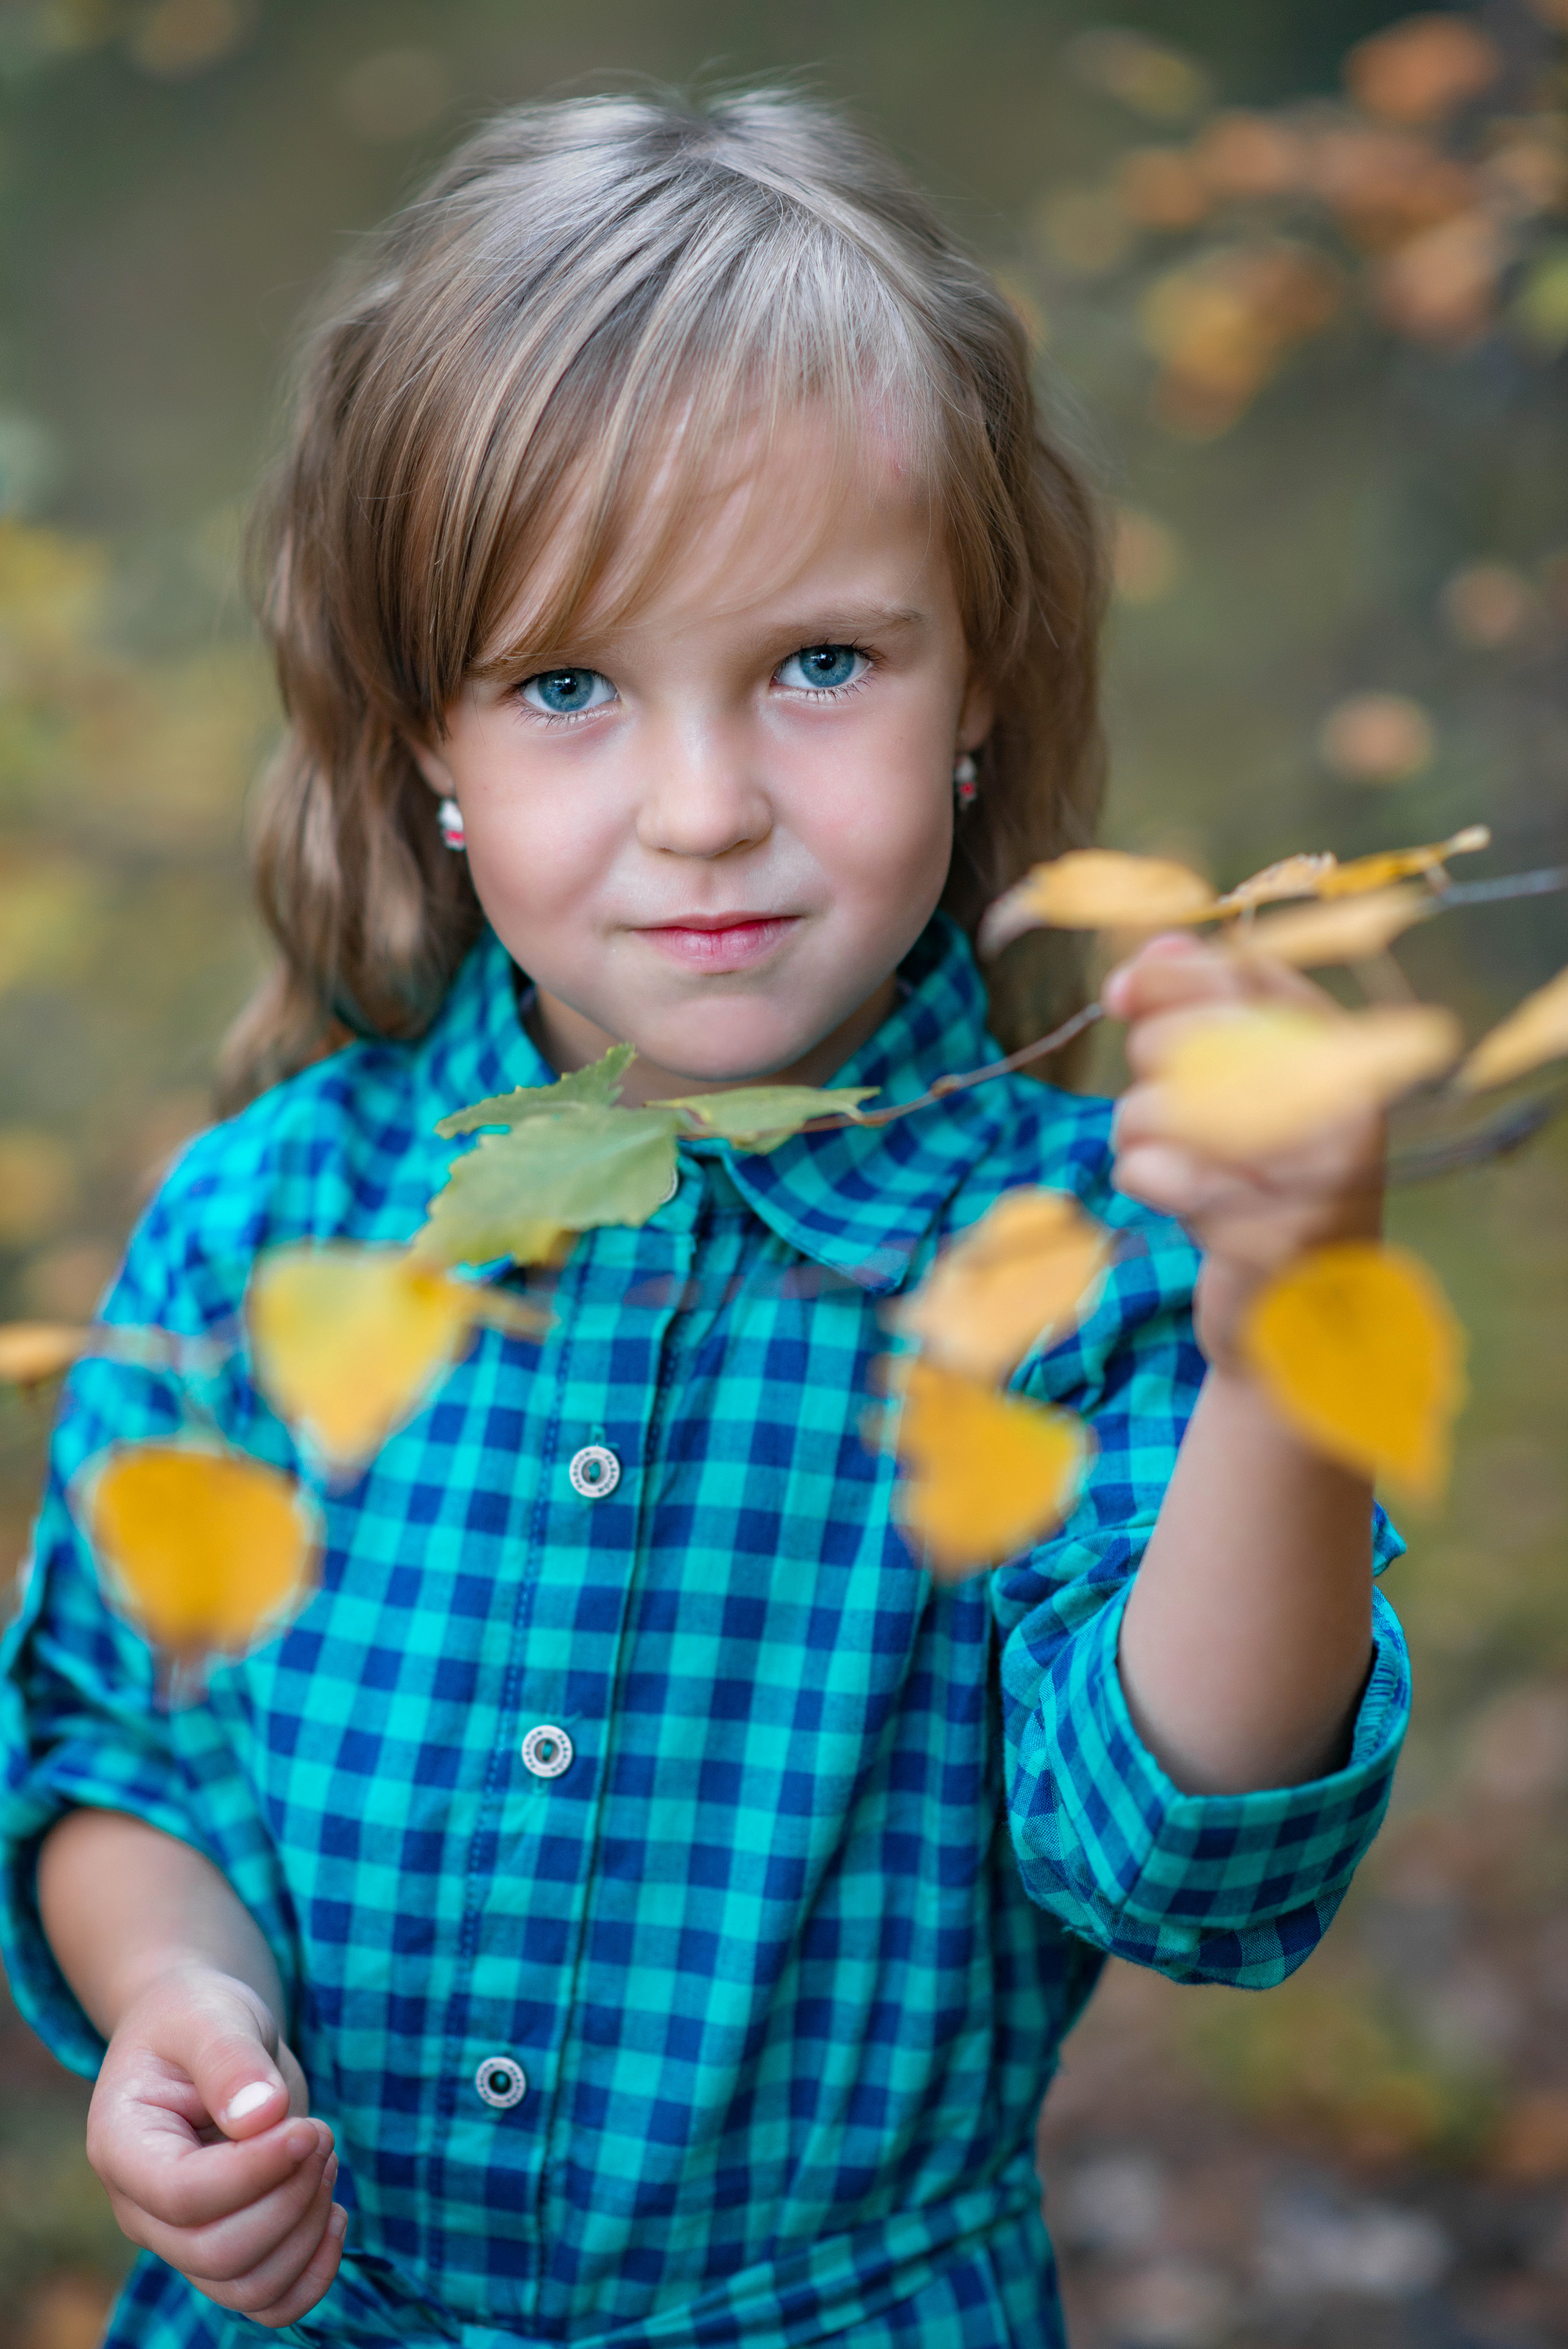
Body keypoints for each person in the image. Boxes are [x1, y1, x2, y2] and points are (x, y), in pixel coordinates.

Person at [0, 91, 1409, 2348]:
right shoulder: (280, 1227)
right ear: (426, 744)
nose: (704, 808)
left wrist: (1282, 1336)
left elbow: (1196, 1853)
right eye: (569, 686)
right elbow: (117, 1744)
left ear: (979, 685)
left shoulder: (1066, 1261)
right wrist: (178, 1995)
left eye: (820, 664)